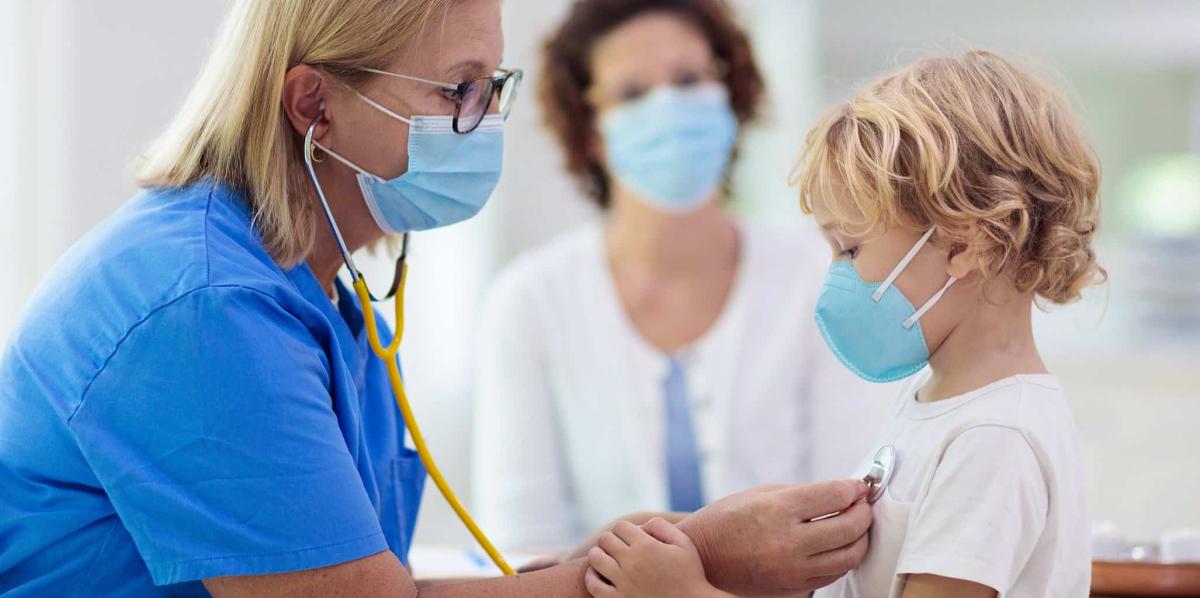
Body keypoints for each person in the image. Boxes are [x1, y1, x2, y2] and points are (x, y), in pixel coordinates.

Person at [0, 0, 873, 595]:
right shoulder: (204, 310)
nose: (485, 118)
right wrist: (700, 556)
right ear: (315, 106)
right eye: (457, 89)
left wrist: (642, 556)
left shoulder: (324, 304)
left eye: (493, 87)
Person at [585, 50, 1100, 597]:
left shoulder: (993, 440)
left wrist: (682, 594)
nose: (834, 276)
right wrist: (695, 547)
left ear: (963, 242)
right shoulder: (935, 407)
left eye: (850, 249)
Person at [473, 0, 886, 551]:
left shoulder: (821, 279)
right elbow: (522, 548)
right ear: (591, 131)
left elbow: (852, 514)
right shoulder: (529, 302)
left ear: (729, 93)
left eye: (689, 79)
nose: (668, 107)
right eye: (632, 94)